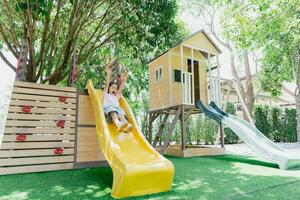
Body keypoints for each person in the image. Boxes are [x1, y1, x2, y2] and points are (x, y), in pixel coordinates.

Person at [103, 65, 133, 132]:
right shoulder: (106, 94)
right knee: (114, 113)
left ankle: (126, 125)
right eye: (112, 87)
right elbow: (107, 84)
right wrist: (108, 75)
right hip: (109, 108)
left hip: (117, 109)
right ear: (109, 89)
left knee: (121, 114)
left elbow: (121, 88)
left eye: (116, 88)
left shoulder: (116, 96)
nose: (114, 89)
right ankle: (118, 124)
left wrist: (124, 80)